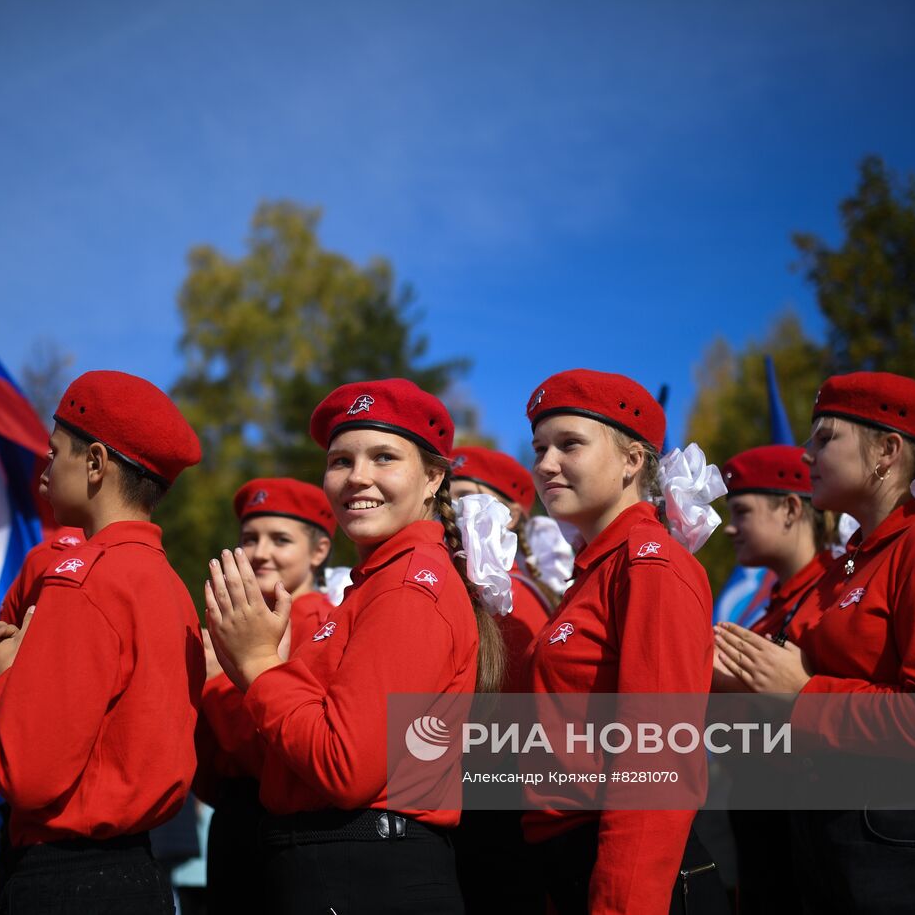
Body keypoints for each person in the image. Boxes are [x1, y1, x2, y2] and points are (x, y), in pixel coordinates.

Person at [713, 371, 915, 915]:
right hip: (856, 835)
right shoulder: (862, 560)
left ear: (887, 451)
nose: (807, 455)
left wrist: (803, 694)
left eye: (825, 438)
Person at [204, 378, 506, 915]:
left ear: (433, 477)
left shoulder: (408, 586)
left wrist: (257, 663)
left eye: (384, 457)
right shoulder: (380, 583)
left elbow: (344, 767)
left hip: (366, 871)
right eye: (340, 461)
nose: (357, 476)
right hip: (346, 866)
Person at [0, 370, 205, 915]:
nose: (48, 466)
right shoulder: (169, 584)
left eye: (56, 452)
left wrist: (7, 680)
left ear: (96, 463)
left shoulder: (85, 577)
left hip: (68, 877)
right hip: (134, 868)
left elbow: (30, 775)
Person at [521, 369, 727, 915]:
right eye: (539, 448)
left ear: (633, 461)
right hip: (574, 864)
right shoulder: (599, 570)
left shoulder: (648, 566)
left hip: (628, 874)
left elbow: (657, 758)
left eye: (569, 445)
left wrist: (621, 903)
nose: (545, 464)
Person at [195, 477, 336, 915]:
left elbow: (275, 744)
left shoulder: (319, 622)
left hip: (281, 821)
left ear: (319, 551)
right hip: (235, 816)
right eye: (249, 539)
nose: (260, 552)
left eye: (280, 539)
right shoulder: (235, 619)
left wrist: (215, 680)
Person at [711, 444, 832, 915]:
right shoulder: (774, 609)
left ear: (790, 509)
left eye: (742, 511)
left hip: (808, 819)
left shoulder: (832, 601)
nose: (729, 527)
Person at [446, 445, 556, 914]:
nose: (452, 509)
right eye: (447, 497)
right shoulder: (459, 584)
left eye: (466, 496)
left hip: (493, 803)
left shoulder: (512, 598)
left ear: (510, 514)